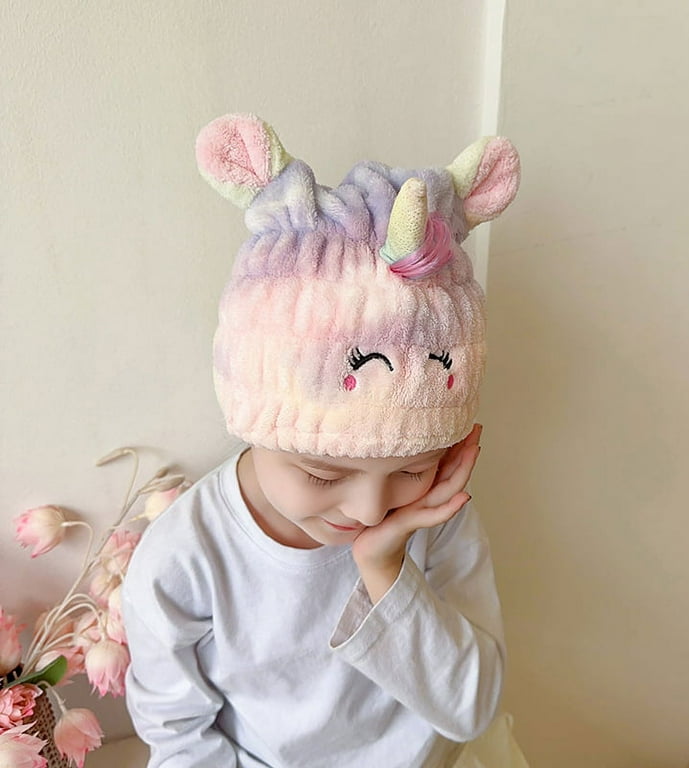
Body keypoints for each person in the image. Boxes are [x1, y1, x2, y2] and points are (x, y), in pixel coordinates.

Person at [122, 113, 521, 768]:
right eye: (322, 473)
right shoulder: (185, 557)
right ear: (254, 421)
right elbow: (179, 736)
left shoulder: (437, 518)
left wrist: (386, 569)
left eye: (413, 468)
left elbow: (473, 708)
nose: (369, 510)